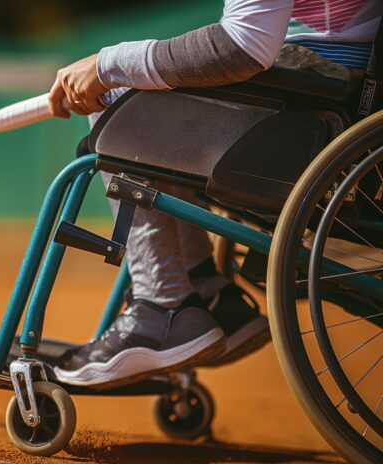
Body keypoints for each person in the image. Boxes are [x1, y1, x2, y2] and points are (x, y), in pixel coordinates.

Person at [48, 0, 383, 386]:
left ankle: (162, 304)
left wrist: (107, 64)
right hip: (332, 96)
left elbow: (243, 45)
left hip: (312, 107)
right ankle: (206, 292)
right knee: (141, 87)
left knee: (119, 95)